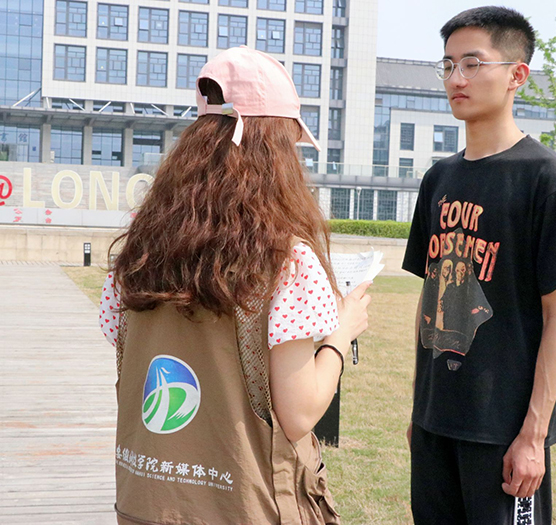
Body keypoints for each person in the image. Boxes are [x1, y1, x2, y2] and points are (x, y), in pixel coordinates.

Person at [98, 46, 371, 525]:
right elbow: (299, 415)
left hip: (146, 502)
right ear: (274, 152)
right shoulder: (287, 261)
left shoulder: (140, 251)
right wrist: (340, 335)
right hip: (242, 506)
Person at [402, 7, 556, 525]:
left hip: (503, 429)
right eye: (448, 65)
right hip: (436, 422)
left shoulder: (547, 179)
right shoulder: (438, 180)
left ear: (516, 75)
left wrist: (533, 435)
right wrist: (419, 409)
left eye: (473, 63)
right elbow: (431, 297)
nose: (456, 79)